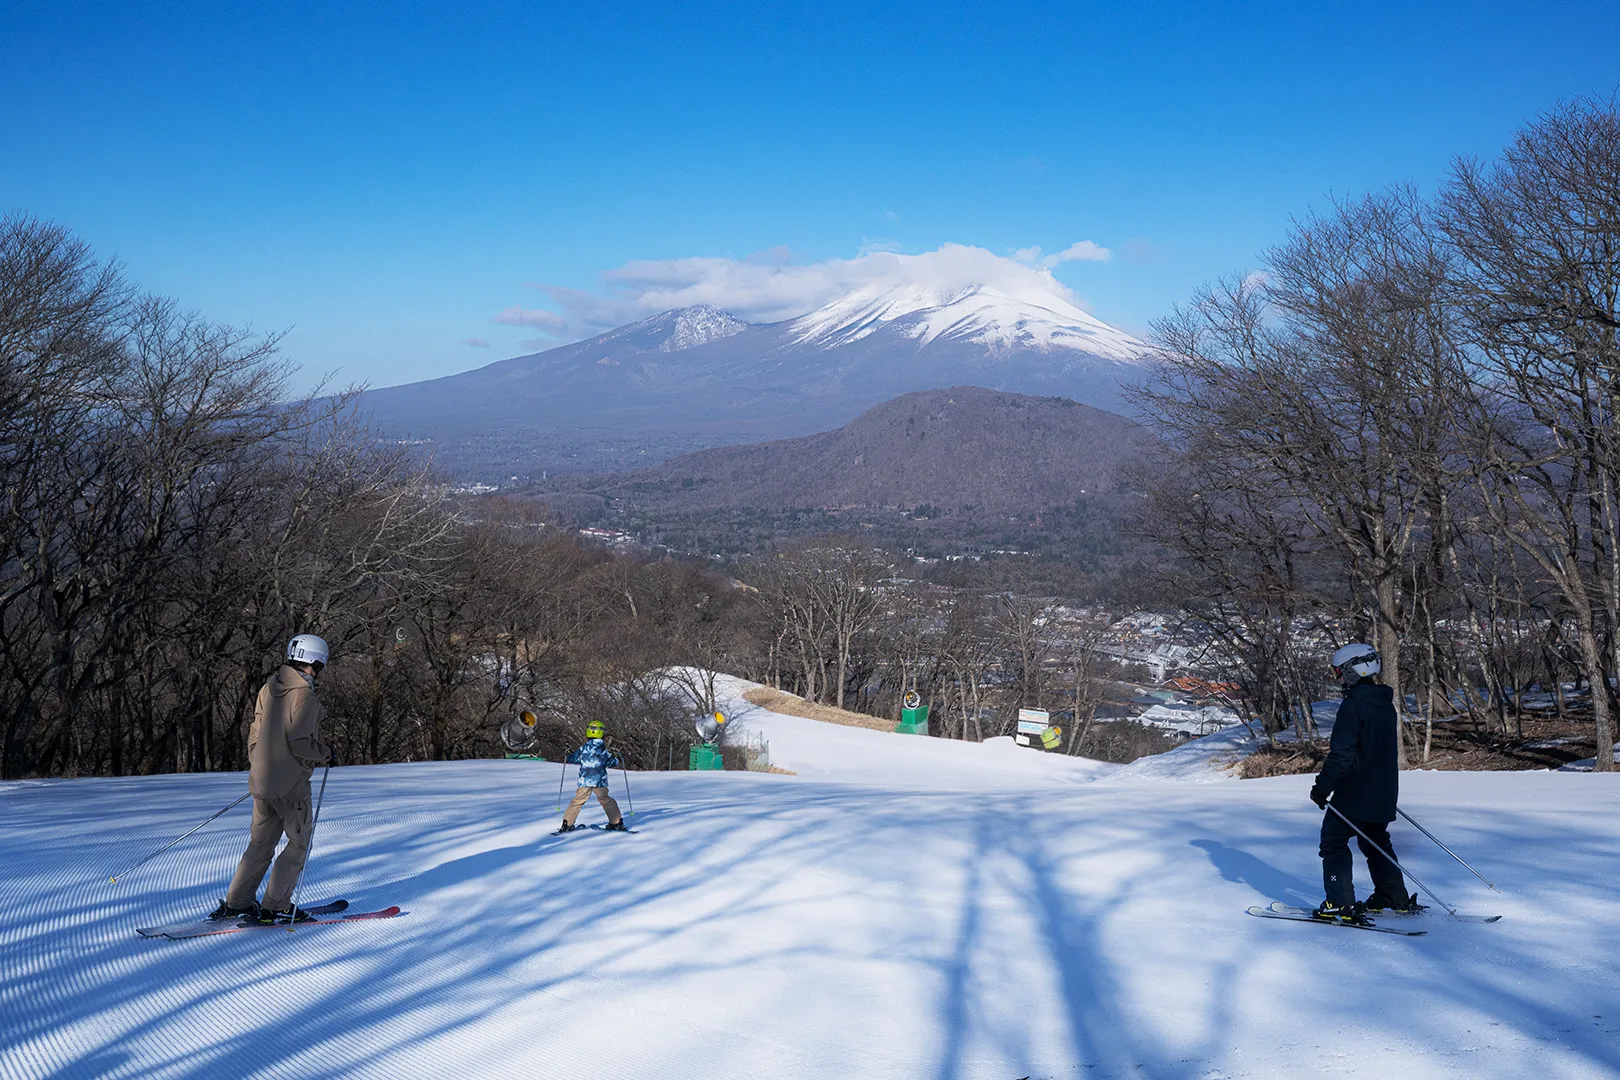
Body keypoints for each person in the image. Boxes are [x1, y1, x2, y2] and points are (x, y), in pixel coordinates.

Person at [211, 634, 334, 924]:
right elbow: (300, 741)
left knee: (261, 843)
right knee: (298, 844)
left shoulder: (269, 688)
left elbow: (254, 734)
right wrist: (326, 753)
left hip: (262, 783)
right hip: (291, 787)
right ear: (316, 662)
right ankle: (275, 905)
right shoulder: (304, 694)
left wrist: (261, 767)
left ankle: (237, 901)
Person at [1308, 643, 1417, 923]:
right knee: (1375, 840)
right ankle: (1392, 896)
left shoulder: (1353, 706)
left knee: (1333, 840)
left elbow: (1342, 755)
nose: (1338, 678)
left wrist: (1322, 788)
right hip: (1384, 791)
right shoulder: (1384, 703)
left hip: (1355, 792)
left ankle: (1339, 903)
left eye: (1339, 672)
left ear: (1353, 670)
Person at [559, 720, 627, 832]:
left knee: (577, 802)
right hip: (600, 781)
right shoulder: (603, 750)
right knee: (606, 800)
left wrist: (568, 753)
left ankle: (567, 824)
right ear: (601, 733)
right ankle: (616, 823)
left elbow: (573, 759)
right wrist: (618, 759)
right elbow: (610, 763)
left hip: (585, 781)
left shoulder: (583, 749)